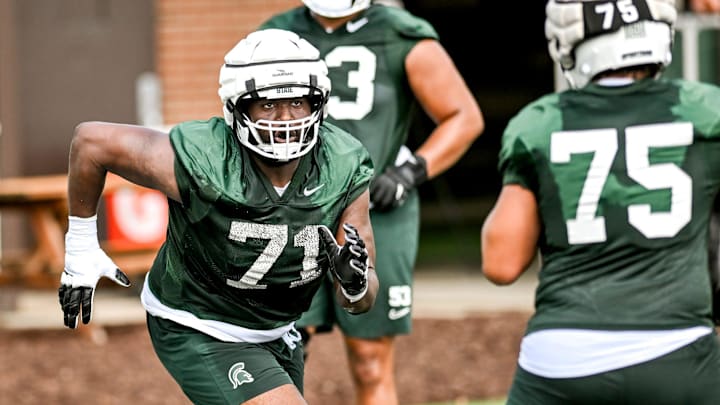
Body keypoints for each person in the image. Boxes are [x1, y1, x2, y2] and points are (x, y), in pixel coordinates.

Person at [57, 28, 380, 405]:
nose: (285, 119)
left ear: (317, 104)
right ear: (237, 108)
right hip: (198, 322)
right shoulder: (203, 158)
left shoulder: (342, 164)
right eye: (267, 105)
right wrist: (80, 245)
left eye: (297, 103)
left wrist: (355, 283)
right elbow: (91, 141)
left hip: (275, 331)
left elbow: (361, 299)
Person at [481, 0, 720, 403]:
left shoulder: (540, 123)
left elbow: (501, 263)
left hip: (561, 363)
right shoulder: (705, 110)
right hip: (680, 353)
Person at [259, 1, 484, 404]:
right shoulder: (275, 33)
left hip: (376, 211)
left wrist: (410, 172)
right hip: (292, 211)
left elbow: (463, 116)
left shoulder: (401, 34)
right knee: (280, 349)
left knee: (370, 358)